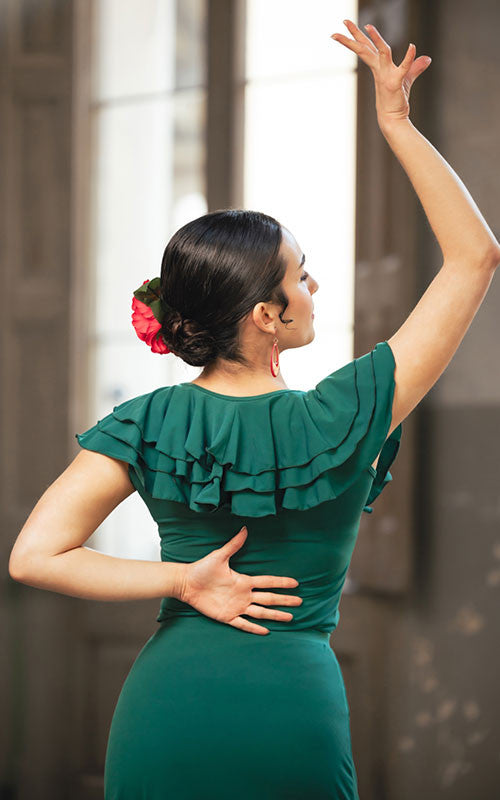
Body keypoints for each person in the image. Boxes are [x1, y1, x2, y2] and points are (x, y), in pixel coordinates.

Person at [8, 18, 500, 800]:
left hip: (162, 710)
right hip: (291, 706)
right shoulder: (349, 408)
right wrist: (396, 124)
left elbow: (34, 555)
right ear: (266, 316)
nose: (314, 290)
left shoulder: (148, 421)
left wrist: (181, 580)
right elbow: (476, 256)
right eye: (301, 278)